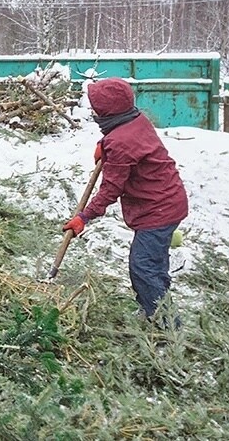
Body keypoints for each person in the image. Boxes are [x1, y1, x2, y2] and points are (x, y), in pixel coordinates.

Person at [63, 77, 188, 325]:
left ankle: (167, 326)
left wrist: (83, 217)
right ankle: (152, 308)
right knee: (153, 264)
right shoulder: (136, 120)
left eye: (96, 107)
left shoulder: (120, 142)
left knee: (142, 266)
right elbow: (128, 143)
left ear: (107, 111)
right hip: (169, 200)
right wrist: (105, 146)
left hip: (158, 209)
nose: (93, 111)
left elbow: (111, 189)